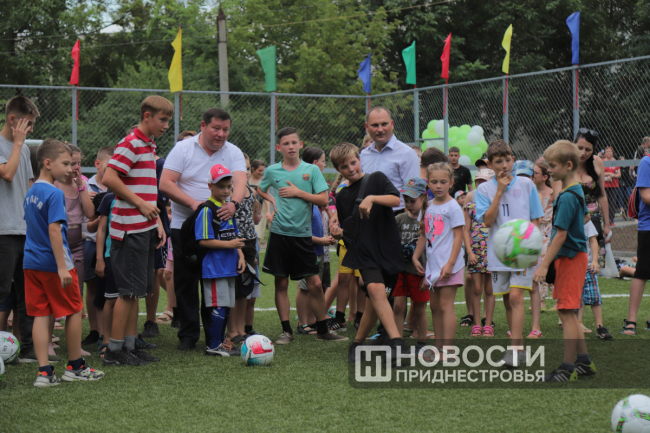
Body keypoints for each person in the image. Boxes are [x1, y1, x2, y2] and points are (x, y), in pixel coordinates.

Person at [160, 108, 247, 351]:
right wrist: (195, 205)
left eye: (225, 129)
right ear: (203, 126)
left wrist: (233, 204)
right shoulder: (183, 149)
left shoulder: (233, 151)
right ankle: (188, 336)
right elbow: (165, 183)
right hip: (184, 227)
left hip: (219, 230)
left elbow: (240, 181)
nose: (221, 134)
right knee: (186, 282)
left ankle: (214, 336)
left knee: (216, 280)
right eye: (216, 128)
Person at [24, 139, 104, 387]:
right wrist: (61, 266)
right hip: (55, 263)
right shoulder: (54, 192)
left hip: (31, 262)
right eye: (66, 164)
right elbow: (54, 230)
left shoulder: (31, 191)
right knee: (73, 310)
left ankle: (44, 373)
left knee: (41, 314)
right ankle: (75, 367)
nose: (71, 169)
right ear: (48, 163)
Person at [257, 127, 347, 344]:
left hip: (303, 236)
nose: (290, 147)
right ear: (279, 147)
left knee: (315, 284)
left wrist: (298, 192)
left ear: (300, 144)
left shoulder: (312, 170)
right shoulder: (272, 171)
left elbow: (323, 200)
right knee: (281, 284)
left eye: (293, 143)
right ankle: (286, 331)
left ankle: (323, 330)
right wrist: (272, 200)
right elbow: (260, 189)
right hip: (279, 235)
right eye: (285, 143)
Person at [101, 96, 169, 365]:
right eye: (162, 119)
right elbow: (109, 177)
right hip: (129, 229)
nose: (166, 125)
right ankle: (114, 350)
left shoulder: (148, 145)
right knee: (128, 292)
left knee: (136, 291)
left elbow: (147, 190)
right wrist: (140, 203)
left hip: (144, 228)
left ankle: (129, 345)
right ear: (147, 116)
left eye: (168, 120)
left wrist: (157, 222)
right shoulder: (130, 142)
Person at [328, 142, 407, 362]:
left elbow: (395, 199)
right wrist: (338, 234)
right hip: (364, 252)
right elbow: (350, 233)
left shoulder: (377, 179)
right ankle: (397, 342)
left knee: (374, 302)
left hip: (389, 250)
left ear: (359, 159)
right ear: (338, 170)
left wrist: (371, 198)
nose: (351, 168)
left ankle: (356, 345)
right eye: (344, 167)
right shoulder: (342, 197)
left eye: (353, 162)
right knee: (374, 288)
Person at [475, 140, 544, 367]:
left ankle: (514, 351)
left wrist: (534, 248)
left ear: (513, 159)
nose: (504, 165)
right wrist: (499, 192)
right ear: (489, 164)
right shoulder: (484, 189)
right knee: (507, 300)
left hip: (523, 251)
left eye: (507, 160)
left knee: (516, 297)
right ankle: (519, 349)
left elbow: (535, 219)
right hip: (498, 253)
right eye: (498, 162)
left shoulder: (526, 184)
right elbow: (487, 221)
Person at [533, 140, 595, 382]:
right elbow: (586, 216)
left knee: (566, 312)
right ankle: (584, 363)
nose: (549, 170)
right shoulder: (576, 190)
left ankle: (566, 369)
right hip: (573, 257)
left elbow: (560, 235)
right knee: (567, 311)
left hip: (570, 258)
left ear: (568, 165)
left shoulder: (568, 196)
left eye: (553, 166)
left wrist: (544, 265)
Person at [0, 96, 39, 363]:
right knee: (2, 290)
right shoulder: (15, 145)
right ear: (13, 120)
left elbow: (28, 187)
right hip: (3, 231)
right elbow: (8, 174)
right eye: (28, 123)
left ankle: (27, 348)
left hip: (25, 232)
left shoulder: (23, 148)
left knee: (28, 294)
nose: (31, 129)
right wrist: (17, 143)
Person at [412, 163, 465, 358]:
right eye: (434, 182)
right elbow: (424, 234)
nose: (439, 186)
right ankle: (438, 347)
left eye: (443, 182)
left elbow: (459, 237)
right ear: (428, 183)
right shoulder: (428, 205)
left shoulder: (453, 207)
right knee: (434, 307)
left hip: (450, 265)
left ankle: (448, 350)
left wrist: (450, 263)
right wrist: (415, 256)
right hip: (433, 266)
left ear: (451, 183)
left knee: (445, 306)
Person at [196, 164, 246, 356]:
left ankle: (222, 342)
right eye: (221, 186)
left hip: (229, 267)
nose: (226, 191)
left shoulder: (227, 208)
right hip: (215, 268)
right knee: (218, 306)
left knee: (225, 306)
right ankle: (213, 345)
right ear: (210, 186)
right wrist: (230, 245)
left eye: (228, 186)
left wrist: (240, 255)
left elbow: (234, 235)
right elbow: (203, 241)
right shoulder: (207, 210)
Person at [294, 147, 337, 333]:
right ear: (313, 164)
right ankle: (302, 323)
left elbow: (324, 207)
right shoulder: (305, 190)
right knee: (305, 288)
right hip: (309, 249)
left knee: (317, 286)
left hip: (319, 248)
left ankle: (312, 320)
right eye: (322, 161)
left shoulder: (317, 189)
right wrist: (320, 240)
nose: (325, 164)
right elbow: (301, 229)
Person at [227, 153, 262, 344]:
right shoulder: (230, 191)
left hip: (250, 242)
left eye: (248, 168)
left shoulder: (251, 191)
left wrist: (253, 250)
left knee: (245, 291)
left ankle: (240, 330)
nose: (246, 172)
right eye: (242, 169)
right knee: (235, 289)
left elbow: (252, 220)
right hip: (236, 242)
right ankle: (232, 330)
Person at [81, 146, 114, 347]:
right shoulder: (86, 186)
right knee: (92, 286)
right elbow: (90, 223)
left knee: (109, 289)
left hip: (112, 246)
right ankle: (95, 330)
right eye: (108, 165)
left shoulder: (118, 187)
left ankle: (109, 333)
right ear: (98, 164)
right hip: (91, 243)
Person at [360, 107, 420, 214]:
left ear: (392, 124)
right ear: (367, 127)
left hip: (397, 215)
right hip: (368, 215)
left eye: (384, 124)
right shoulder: (364, 155)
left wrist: (407, 220)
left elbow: (413, 192)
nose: (380, 129)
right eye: (375, 125)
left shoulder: (406, 153)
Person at [394, 178, 430, 348]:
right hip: (400, 271)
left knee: (419, 309)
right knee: (398, 307)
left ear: (423, 197)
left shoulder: (429, 218)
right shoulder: (399, 219)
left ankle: (421, 342)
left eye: (412, 200)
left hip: (419, 272)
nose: (409, 204)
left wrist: (428, 275)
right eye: (406, 200)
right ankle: (397, 341)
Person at [464, 168, 495, 337]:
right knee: (476, 288)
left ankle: (488, 324)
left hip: (492, 251)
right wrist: (469, 252)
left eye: (485, 182)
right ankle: (476, 324)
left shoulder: (496, 202)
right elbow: (465, 230)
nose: (481, 185)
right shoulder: (471, 203)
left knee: (489, 289)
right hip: (475, 252)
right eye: (479, 182)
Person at [622, 150, 650, 335]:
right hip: (648, 228)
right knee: (642, 272)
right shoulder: (647, 162)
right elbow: (646, 196)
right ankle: (631, 321)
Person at [571, 129, 611, 257]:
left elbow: (602, 195)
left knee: (596, 263)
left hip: (594, 221)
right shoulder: (566, 163)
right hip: (572, 220)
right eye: (580, 148)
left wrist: (607, 225)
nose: (583, 153)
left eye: (588, 150)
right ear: (573, 143)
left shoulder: (597, 162)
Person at [577, 220, 613, 339]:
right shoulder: (567, 220)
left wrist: (594, 261)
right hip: (573, 267)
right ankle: (577, 323)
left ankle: (599, 326)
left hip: (588, 267)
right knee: (577, 297)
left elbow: (593, 240)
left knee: (595, 297)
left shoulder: (587, 222)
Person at [532, 162, 555, 315]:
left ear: (545, 177)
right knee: (537, 263)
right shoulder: (530, 193)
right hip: (536, 230)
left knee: (551, 263)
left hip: (551, 230)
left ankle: (557, 298)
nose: (532, 176)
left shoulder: (554, 193)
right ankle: (540, 300)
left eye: (535, 173)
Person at [249, 159, 269, 242]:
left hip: (259, 212)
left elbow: (266, 197)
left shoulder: (263, 181)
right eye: (259, 171)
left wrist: (268, 211)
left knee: (257, 236)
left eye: (262, 171)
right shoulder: (247, 180)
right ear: (253, 169)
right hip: (249, 211)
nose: (261, 173)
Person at [603, 146, 621, 226]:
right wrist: (609, 174)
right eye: (607, 152)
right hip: (605, 185)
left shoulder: (615, 162)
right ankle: (605, 221)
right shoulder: (602, 161)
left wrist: (613, 176)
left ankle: (611, 220)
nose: (608, 153)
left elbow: (619, 174)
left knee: (612, 203)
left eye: (610, 151)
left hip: (614, 185)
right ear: (605, 153)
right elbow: (600, 173)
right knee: (605, 203)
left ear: (612, 153)